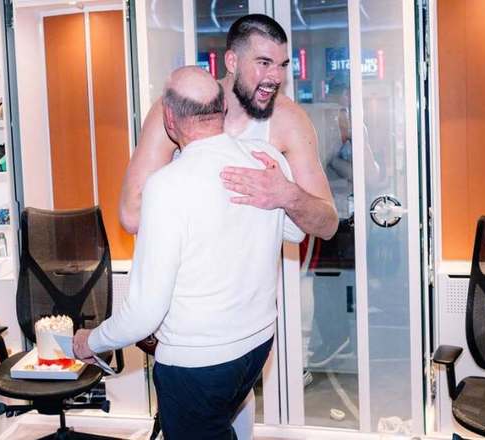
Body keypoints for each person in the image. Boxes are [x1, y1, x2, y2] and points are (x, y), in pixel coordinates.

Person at [73, 66, 304, 439]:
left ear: (169, 118)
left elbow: (144, 314)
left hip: (198, 365)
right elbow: (295, 229)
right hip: (257, 345)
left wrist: (92, 341)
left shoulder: (166, 186)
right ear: (222, 109)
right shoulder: (263, 158)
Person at [119, 14, 338, 241]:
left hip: (254, 263)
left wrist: (287, 195)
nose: (276, 77)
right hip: (189, 261)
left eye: (282, 65)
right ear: (232, 62)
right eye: (264, 63)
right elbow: (132, 215)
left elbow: (328, 225)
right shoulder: (179, 108)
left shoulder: (290, 121)